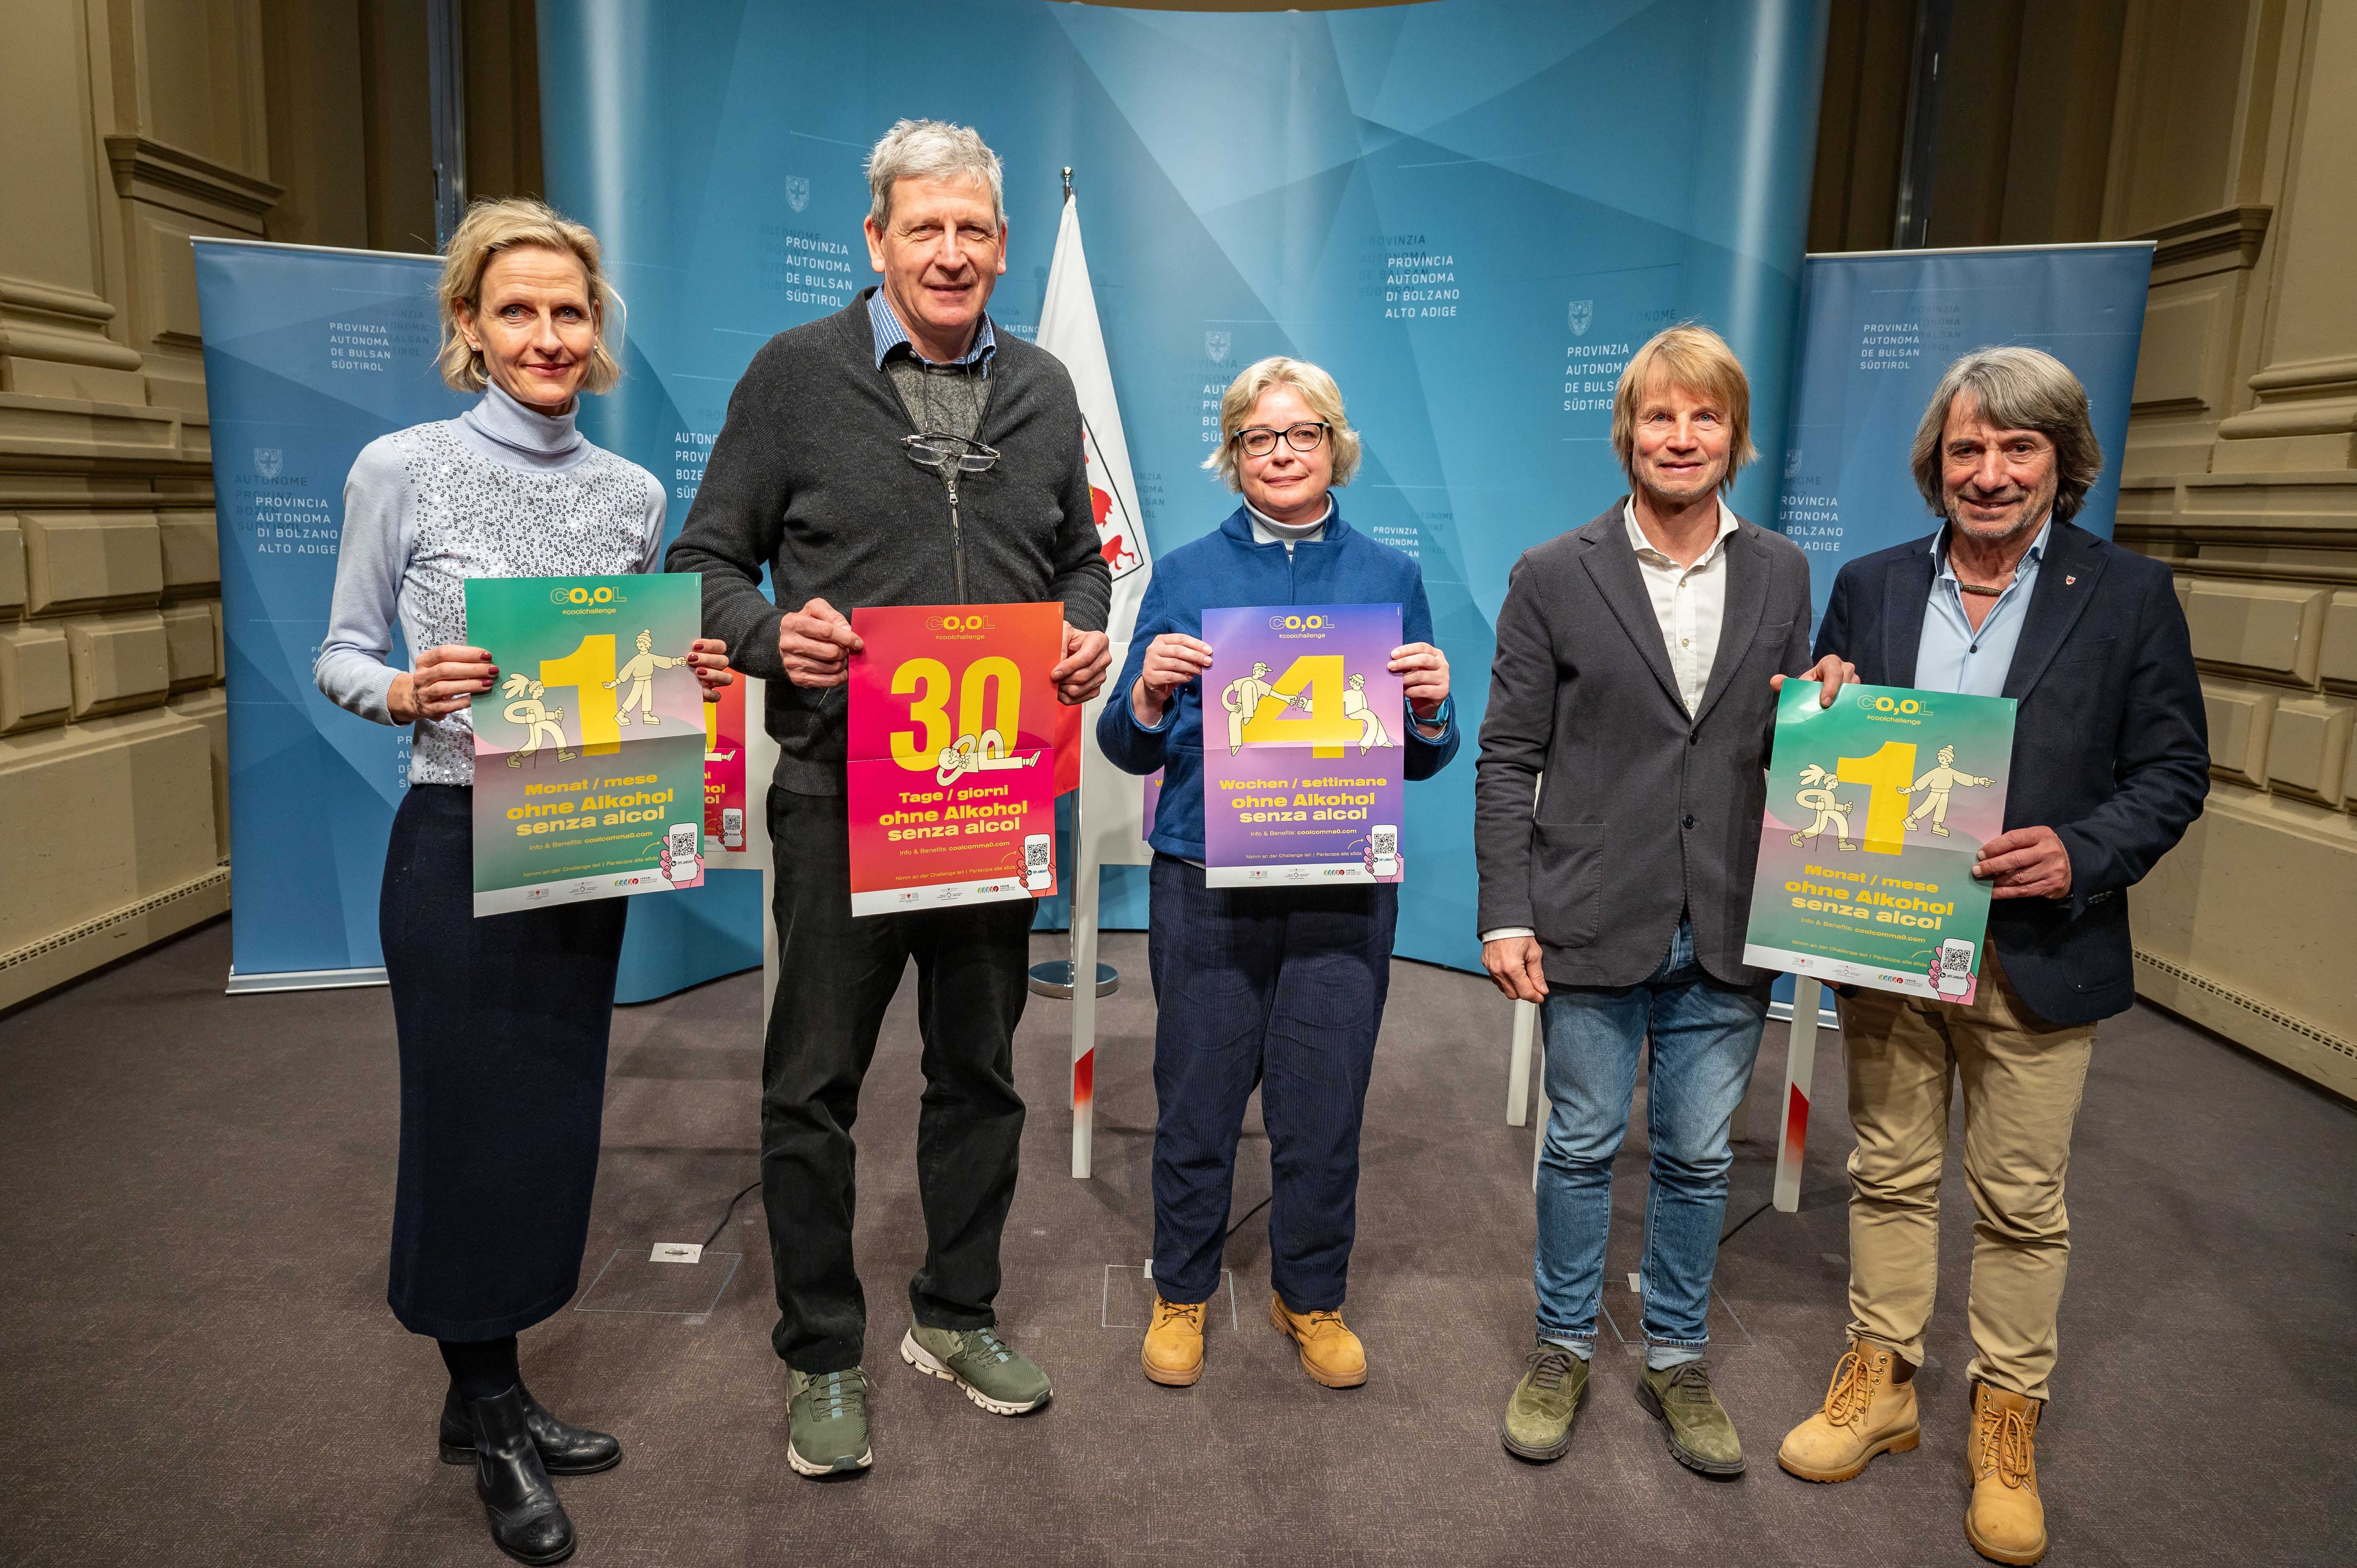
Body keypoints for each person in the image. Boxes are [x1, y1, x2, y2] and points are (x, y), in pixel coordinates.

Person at [664, 119, 1111, 1477]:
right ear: (877, 241)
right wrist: (766, 635)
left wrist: (1084, 632)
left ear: (1000, 247)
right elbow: (701, 564)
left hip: (994, 797)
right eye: (925, 228)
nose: (951, 251)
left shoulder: (1039, 386)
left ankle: (956, 1313)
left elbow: (1083, 559)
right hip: (836, 793)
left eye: (974, 230)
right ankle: (821, 1351)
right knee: (814, 1084)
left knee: (980, 1075)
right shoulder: (794, 377)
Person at [316, 197, 733, 1565]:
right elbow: (339, 651)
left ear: (593, 327)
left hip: (584, 836)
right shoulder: (405, 465)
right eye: (517, 311)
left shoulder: (632, 494)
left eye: (567, 311)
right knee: (463, 1124)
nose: (547, 335)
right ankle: (482, 1404)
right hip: (450, 840)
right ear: (468, 328)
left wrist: (695, 677)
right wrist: (400, 687)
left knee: (553, 1119)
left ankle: (491, 1387)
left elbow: (622, 669)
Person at [1775, 347, 2206, 1567]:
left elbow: (2173, 772)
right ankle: (1884, 1376)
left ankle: (2005, 1413)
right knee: (1889, 1169)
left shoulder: (2126, 595)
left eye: (2018, 448)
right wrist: (1824, 696)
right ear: (1935, 466)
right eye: (1965, 448)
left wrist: (2079, 850)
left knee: (2019, 1200)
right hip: (1892, 935)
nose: (1989, 471)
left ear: (2061, 464)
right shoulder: (1865, 585)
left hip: (2035, 946)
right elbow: (1832, 736)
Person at [1474, 324, 1854, 1474]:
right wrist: (1505, 909)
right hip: (1591, 909)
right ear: (1625, 433)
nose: (1679, 436)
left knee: (1696, 1158)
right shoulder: (1553, 570)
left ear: (1733, 435)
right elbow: (1504, 754)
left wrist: (1830, 696)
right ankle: (1559, 1344)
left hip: (1735, 915)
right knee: (1581, 1143)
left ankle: (1678, 1355)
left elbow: (1788, 730)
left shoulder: (1783, 570)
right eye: (1658, 416)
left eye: (1702, 417)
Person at [1098, 356, 1459, 1390]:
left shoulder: (1390, 577)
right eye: (1259, 438)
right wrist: (1151, 697)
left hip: (1342, 882)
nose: (1282, 454)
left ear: (1334, 445)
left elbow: (1423, 753)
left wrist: (1432, 705)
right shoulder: (1181, 573)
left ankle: (1309, 1294)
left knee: (1322, 1101)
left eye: (1301, 434)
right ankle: (1180, 1287)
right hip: (1204, 877)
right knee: (1198, 1094)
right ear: (1233, 455)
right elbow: (1125, 744)